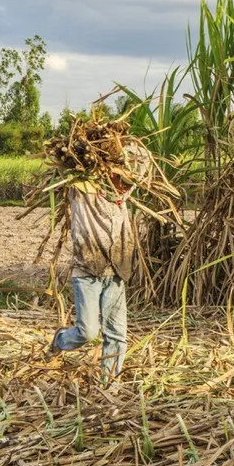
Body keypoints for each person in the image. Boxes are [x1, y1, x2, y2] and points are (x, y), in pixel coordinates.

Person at [47, 143, 149, 384]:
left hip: (116, 273)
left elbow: (142, 159)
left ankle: (109, 384)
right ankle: (60, 340)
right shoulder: (84, 193)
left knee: (116, 334)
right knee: (88, 332)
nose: (126, 184)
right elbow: (71, 172)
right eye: (122, 176)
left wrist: (128, 151)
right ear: (109, 172)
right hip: (87, 273)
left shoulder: (122, 198)